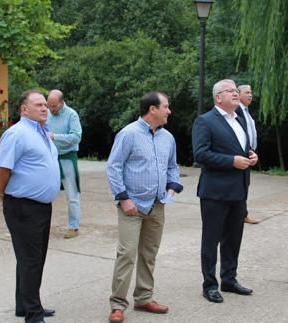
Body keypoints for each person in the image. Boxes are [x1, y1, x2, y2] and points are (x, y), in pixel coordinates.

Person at [106, 92, 183, 323]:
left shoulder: (167, 137)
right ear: (152, 109)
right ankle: (118, 305)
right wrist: (123, 198)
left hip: (157, 205)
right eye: (166, 107)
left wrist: (172, 186)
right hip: (132, 206)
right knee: (126, 255)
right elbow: (113, 167)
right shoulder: (128, 134)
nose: (169, 111)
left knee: (149, 254)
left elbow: (172, 166)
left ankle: (144, 297)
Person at [0, 90, 60, 323]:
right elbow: (0, 170)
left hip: (40, 207)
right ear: (24, 110)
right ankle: (33, 314)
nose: (44, 108)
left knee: (33, 258)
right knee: (31, 259)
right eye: (38, 105)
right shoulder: (16, 134)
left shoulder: (41, 132)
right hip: (23, 207)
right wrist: (2, 193)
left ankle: (25, 305)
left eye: (45, 105)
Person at [192, 79, 258, 303]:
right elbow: (200, 154)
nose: (236, 93)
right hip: (215, 192)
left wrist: (251, 155)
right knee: (211, 240)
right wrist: (231, 161)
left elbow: (241, 148)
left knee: (233, 238)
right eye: (230, 91)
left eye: (236, 90)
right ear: (218, 97)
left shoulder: (239, 118)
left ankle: (229, 279)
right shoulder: (205, 121)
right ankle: (209, 284)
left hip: (239, 190)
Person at [46, 89, 83, 239]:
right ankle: (41, 225)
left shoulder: (72, 115)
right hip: (50, 158)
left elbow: (76, 137)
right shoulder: (46, 112)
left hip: (68, 157)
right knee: (44, 192)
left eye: (54, 106)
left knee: (72, 195)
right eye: (49, 106)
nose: (51, 109)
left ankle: (73, 227)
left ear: (61, 103)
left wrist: (55, 137)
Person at [237, 84, 260, 225]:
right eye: (247, 92)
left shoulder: (246, 110)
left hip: (249, 152)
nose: (250, 95)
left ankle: (242, 214)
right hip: (242, 153)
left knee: (245, 184)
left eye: (251, 92)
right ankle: (241, 215)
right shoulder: (238, 110)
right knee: (242, 185)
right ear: (238, 94)